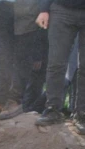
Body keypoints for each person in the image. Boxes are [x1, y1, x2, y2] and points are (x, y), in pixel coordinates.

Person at [35, 0, 85, 133]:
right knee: (56, 63)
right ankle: (52, 109)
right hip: (61, 9)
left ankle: (82, 115)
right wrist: (43, 9)